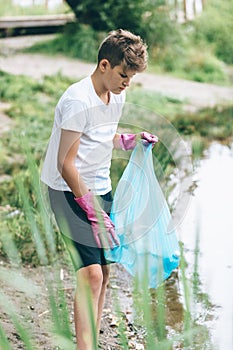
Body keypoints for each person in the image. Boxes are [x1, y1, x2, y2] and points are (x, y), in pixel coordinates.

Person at [41, 29, 157, 350]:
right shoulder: (77, 100)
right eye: (123, 74)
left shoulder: (117, 94)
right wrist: (92, 211)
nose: (127, 83)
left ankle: (89, 339)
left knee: (104, 272)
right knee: (90, 274)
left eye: (131, 77)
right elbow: (66, 164)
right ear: (104, 65)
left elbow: (103, 135)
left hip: (101, 187)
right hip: (67, 190)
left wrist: (130, 140)